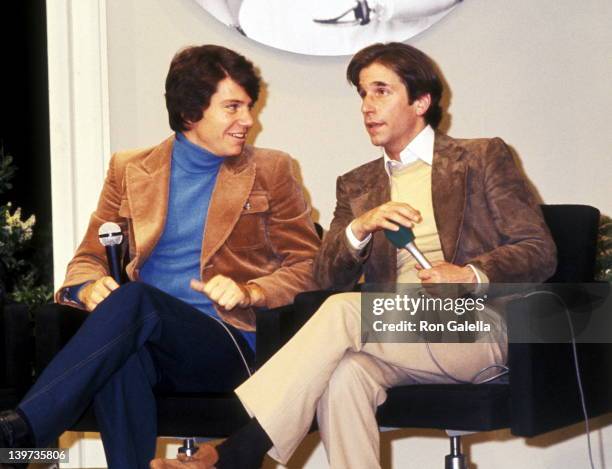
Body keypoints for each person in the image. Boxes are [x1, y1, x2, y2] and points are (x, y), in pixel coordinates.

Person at [150, 42, 557, 469]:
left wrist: (470, 274)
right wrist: (359, 228)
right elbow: (325, 278)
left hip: (475, 327)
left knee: (345, 313)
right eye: (363, 93)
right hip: (398, 337)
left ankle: (238, 450)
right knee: (345, 377)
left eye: (381, 91)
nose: (367, 105)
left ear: (421, 101)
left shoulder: (481, 157)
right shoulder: (358, 185)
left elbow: (539, 251)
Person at [0, 45, 320, 469]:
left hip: (230, 343)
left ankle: (22, 434)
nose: (248, 121)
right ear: (191, 114)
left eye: (248, 107)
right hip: (147, 342)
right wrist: (87, 285)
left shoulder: (272, 169)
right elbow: (87, 257)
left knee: (135, 301)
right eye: (233, 108)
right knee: (122, 356)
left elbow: (309, 267)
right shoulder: (130, 169)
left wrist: (251, 291)